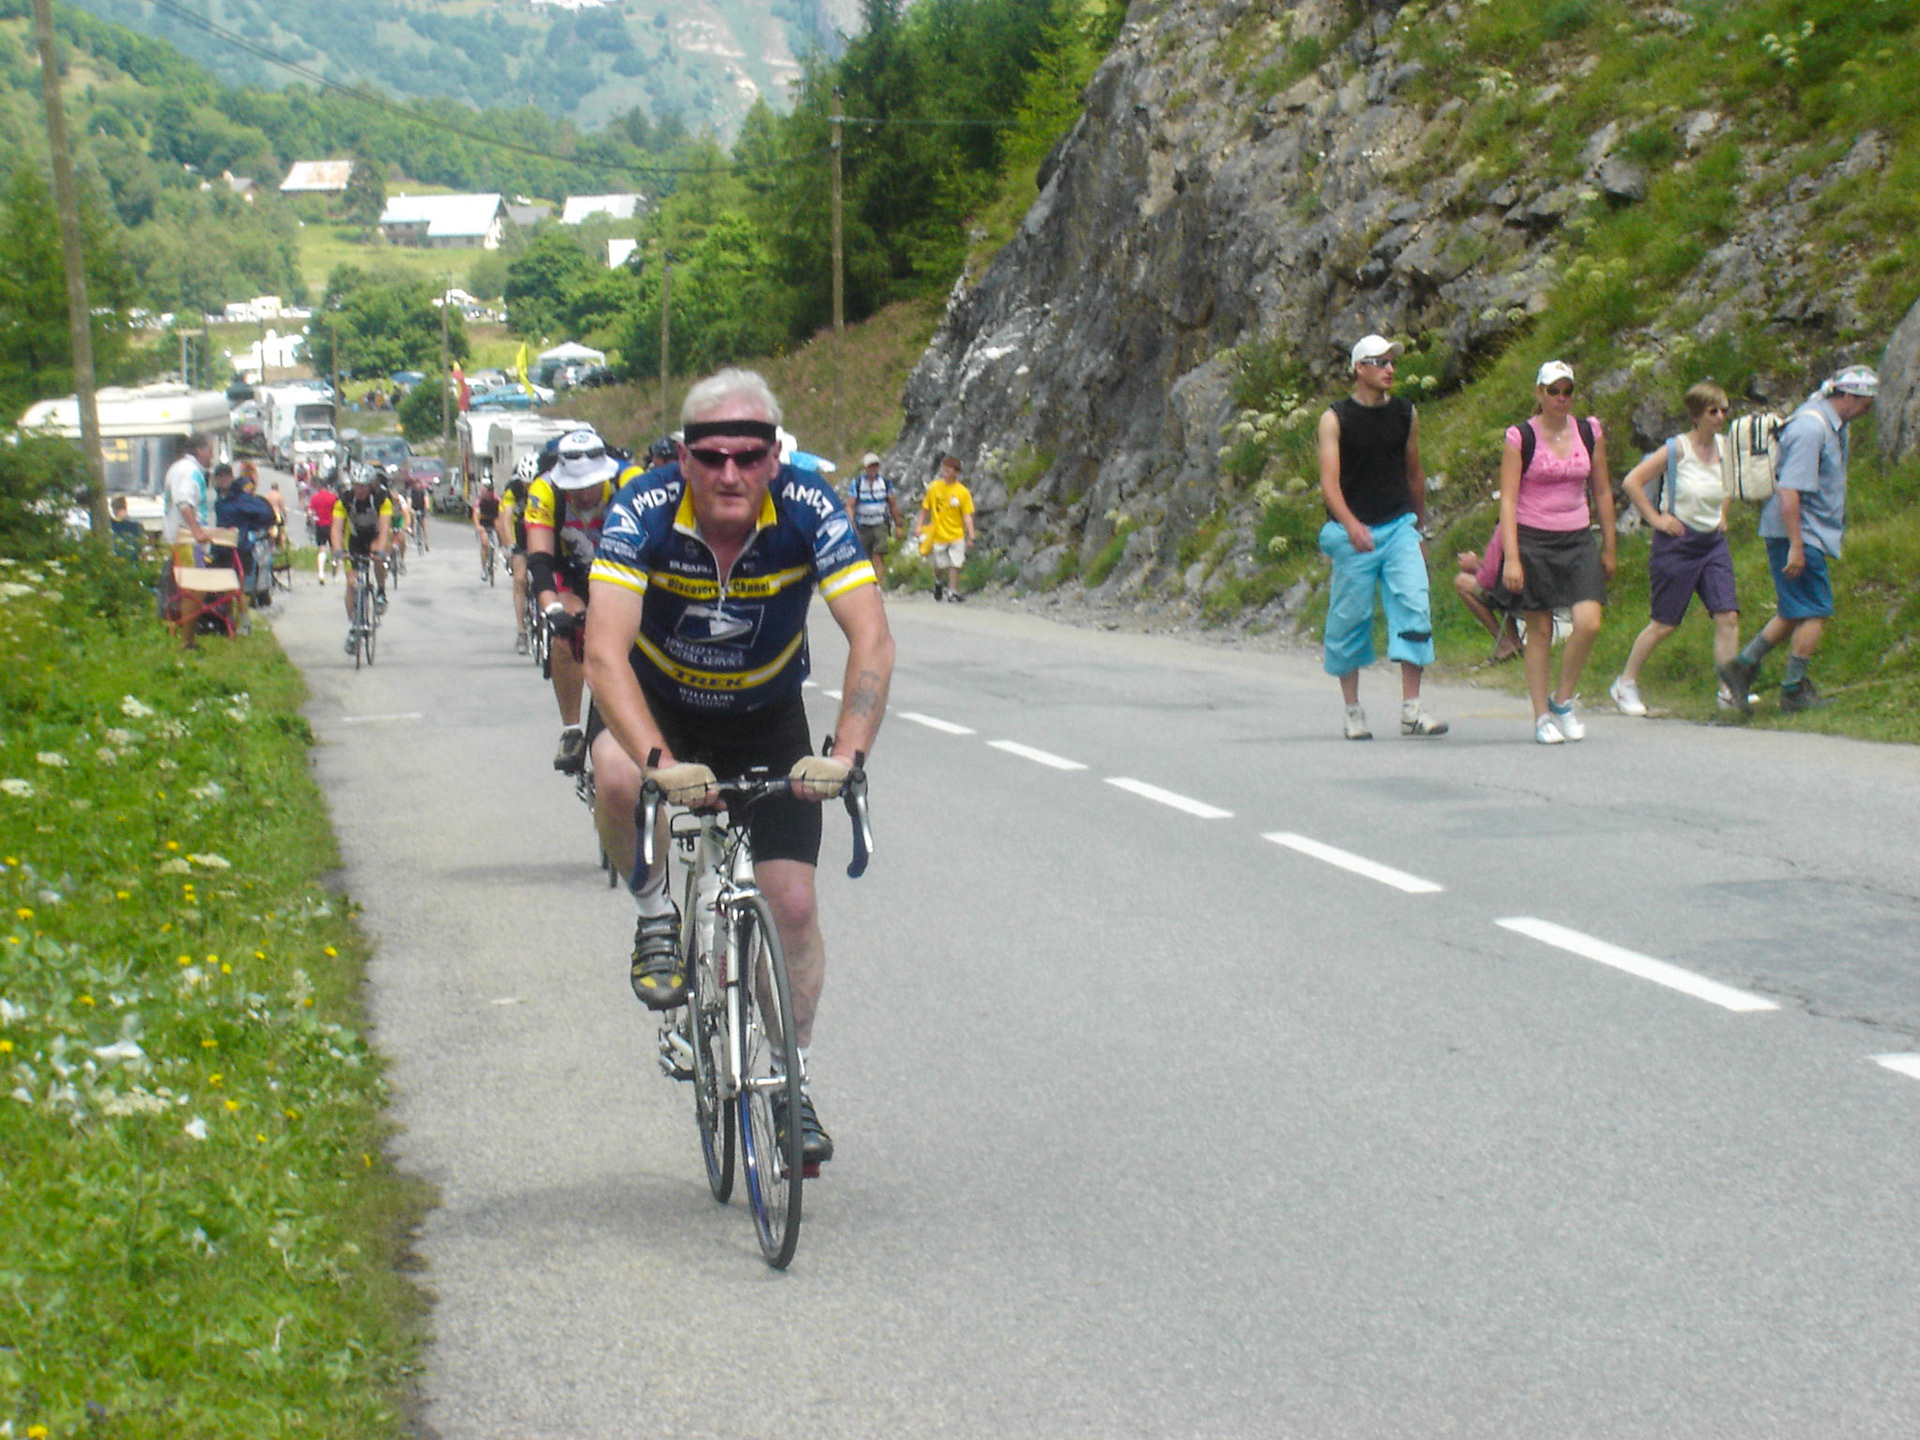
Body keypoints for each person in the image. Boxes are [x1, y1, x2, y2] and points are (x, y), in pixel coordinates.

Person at [584, 368, 894, 1166]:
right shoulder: (643, 509)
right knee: (616, 775)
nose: (730, 472)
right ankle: (656, 916)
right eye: (712, 455)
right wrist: (658, 760)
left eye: (749, 456)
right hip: (659, 705)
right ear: (685, 457)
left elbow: (871, 636)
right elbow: (603, 652)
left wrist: (847, 753)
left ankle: (792, 1084)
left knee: (792, 905)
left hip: (765, 715)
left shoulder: (810, 506)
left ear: (773, 458)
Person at [1717, 364, 1878, 715]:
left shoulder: (1828, 422)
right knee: (1817, 609)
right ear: (1849, 396)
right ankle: (1793, 689)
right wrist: (1797, 546)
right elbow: (1789, 490)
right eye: (1866, 403)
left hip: (1804, 530)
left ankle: (1741, 667)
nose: (1867, 411)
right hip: (1800, 532)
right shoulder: (1811, 428)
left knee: (1794, 610)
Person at [1315, 334, 1448, 739]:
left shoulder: (1406, 414)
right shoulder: (1335, 418)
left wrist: (1418, 528)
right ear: (1359, 368)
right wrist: (1351, 525)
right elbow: (1329, 483)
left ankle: (1412, 708)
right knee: (1349, 618)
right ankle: (1352, 710)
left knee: (1414, 605)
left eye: (1392, 362)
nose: (1389, 369)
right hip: (1352, 532)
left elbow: (1414, 474)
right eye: (1380, 362)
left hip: (1398, 526)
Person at [1496, 360, 1617, 744]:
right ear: (1540, 393)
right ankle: (1541, 716)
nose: (1561, 399)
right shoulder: (1521, 437)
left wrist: (1610, 545)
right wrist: (1512, 557)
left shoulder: (1589, 431)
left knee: (1589, 622)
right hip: (1534, 538)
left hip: (1577, 536)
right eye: (1553, 391)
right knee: (1541, 629)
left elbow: (1601, 490)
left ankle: (1562, 699)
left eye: (1567, 391)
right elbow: (1508, 499)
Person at [1608, 381, 1738, 717]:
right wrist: (1656, 519)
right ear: (1696, 416)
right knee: (1664, 622)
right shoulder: (1677, 449)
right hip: (1677, 544)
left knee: (1727, 616)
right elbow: (1632, 481)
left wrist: (1723, 515)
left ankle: (1729, 689)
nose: (1720, 417)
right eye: (1713, 411)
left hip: (1712, 543)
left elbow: (1728, 484)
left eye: (1724, 411)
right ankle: (1625, 683)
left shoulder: (1725, 447)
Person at [526, 429, 619, 773]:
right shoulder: (545, 491)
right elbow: (540, 560)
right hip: (571, 576)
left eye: (591, 485)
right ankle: (572, 730)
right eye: (575, 486)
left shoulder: (627, 482)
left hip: (619, 573)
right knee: (565, 637)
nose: (583, 493)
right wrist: (552, 610)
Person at [160, 434, 214, 648]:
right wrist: (196, 531)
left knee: (189, 588)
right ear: (199, 451)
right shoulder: (190, 471)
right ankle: (187, 640)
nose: (211, 456)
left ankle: (188, 638)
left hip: (180, 537)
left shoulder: (178, 467)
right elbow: (184, 502)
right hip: (187, 539)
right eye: (209, 451)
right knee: (195, 588)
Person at [331, 465, 393, 653]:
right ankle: (354, 626)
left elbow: (384, 529)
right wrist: (337, 550)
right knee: (352, 584)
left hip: (375, 536)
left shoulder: (382, 499)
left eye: (364, 486)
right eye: (356, 485)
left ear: (371, 485)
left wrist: (380, 551)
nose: (360, 490)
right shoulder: (345, 500)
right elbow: (336, 528)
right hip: (355, 540)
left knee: (378, 555)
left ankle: (381, 591)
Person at [1452, 528, 1522, 663]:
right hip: (1538, 591)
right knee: (1504, 584)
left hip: (1514, 593)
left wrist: (1475, 565)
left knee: (1461, 581)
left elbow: (1489, 578)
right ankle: (1515, 641)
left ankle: (1504, 644)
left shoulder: (1507, 527)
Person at [916, 454, 974, 602]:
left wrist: (971, 534)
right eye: (944, 470)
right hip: (939, 534)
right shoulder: (934, 487)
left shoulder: (962, 492)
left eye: (948, 471)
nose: (944, 473)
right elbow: (925, 508)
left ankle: (952, 592)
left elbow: (967, 515)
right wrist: (919, 525)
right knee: (940, 565)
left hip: (957, 534)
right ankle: (938, 582)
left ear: (956, 473)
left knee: (956, 563)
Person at [844, 452, 901, 585]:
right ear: (865, 468)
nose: (873, 469)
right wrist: (852, 525)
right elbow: (850, 505)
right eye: (870, 466)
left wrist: (899, 525)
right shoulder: (857, 484)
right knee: (864, 558)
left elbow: (892, 504)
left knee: (878, 555)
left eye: (875, 466)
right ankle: (867, 584)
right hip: (863, 525)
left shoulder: (885, 484)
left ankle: (878, 586)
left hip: (879, 524)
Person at [502, 454, 538, 654]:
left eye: (531, 484)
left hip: (540, 531)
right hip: (521, 534)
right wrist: (510, 546)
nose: (528, 488)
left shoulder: (546, 486)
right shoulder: (513, 488)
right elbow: (505, 518)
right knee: (519, 580)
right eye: (525, 484)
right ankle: (521, 632)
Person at [307, 477, 340, 584]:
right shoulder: (333, 497)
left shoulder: (315, 498)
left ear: (319, 486)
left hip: (320, 525)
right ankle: (335, 576)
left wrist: (311, 520)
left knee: (321, 549)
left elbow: (310, 512)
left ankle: (321, 574)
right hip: (332, 526)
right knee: (334, 549)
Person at [471, 478, 502, 570]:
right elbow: (475, 514)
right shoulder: (479, 500)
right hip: (483, 522)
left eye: (487, 491)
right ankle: (484, 567)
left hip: (493, 520)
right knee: (484, 544)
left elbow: (502, 513)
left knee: (500, 534)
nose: (484, 493)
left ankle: (501, 553)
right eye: (483, 491)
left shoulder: (496, 499)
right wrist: (478, 526)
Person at [108, 494, 145, 562]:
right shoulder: (136, 525)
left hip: (118, 561)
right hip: (133, 561)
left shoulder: (112, 525)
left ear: (113, 509)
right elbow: (141, 546)